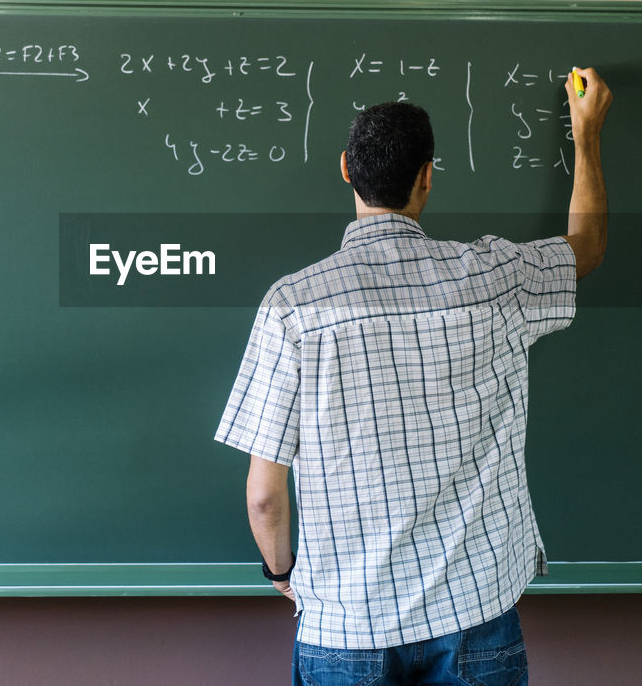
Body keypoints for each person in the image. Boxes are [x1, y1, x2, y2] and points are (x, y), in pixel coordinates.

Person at [214, 67, 611, 685]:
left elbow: (265, 494)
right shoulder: (491, 278)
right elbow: (584, 247)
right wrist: (586, 135)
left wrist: (281, 574)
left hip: (345, 625)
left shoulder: (292, 305)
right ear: (427, 177)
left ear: (346, 168)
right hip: (475, 615)